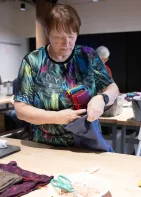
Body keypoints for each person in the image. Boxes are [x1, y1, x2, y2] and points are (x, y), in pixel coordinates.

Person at [14, 5, 119, 147]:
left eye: (71, 36)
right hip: (45, 145)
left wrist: (102, 98)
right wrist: (57, 117)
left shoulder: (88, 56)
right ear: (47, 33)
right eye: (59, 37)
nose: (67, 43)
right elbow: (21, 110)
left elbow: (112, 87)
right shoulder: (33, 62)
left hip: (86, 142)